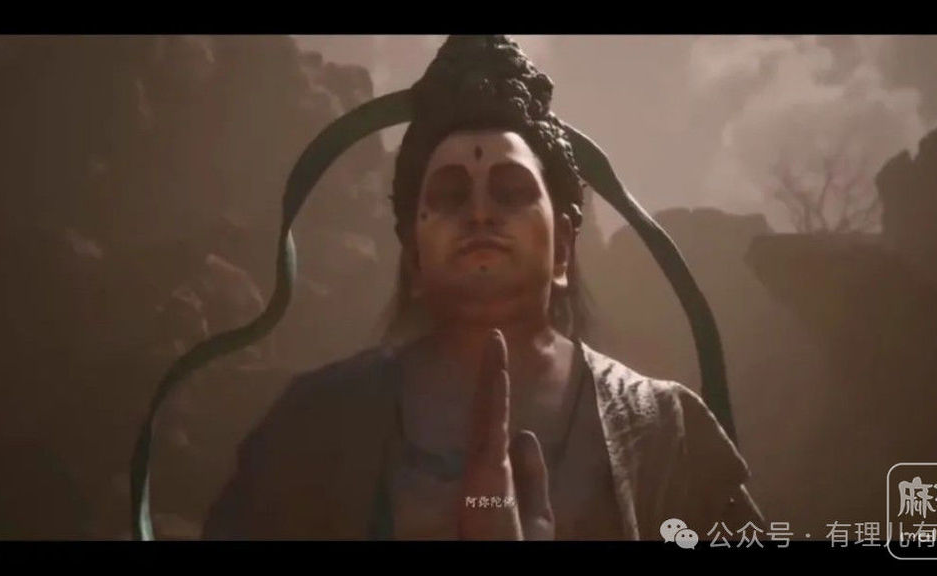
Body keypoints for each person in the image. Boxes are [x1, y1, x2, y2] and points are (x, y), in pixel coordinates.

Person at [201, 35, 763, 541]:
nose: (479, 213)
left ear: (564, 248)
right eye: (449, 195)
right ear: (413, 256)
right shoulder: (311, 425)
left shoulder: (665, 430)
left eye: (511, 190)